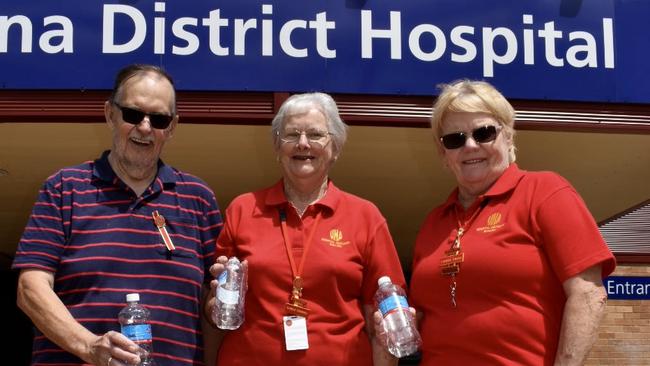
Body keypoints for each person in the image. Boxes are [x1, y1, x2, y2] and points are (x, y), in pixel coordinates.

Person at [12, 64, 222, 366]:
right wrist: (89, 347)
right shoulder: (64, 188)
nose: (146, 127)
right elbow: (30, 288)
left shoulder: (198, 199)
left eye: (159, 119)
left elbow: (211, 308)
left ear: (173, 127)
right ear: (110, 113)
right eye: (133, 114)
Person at [408, 80, 616, 365]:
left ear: (508, 136)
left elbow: (588, 293)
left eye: (483, 133)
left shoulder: (545, 191)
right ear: (444, 154)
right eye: (454, 139)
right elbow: (419, 314)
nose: (470, 146)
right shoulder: (434, 222)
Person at [205, 92, 405, 365]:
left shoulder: (366, 217)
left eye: (315, 135)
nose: (302, 144)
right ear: (277, 147)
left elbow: (383, 322)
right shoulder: (242, 209)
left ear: (334, 147)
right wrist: (214, 304)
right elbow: (214, 310)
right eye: (291, 135)